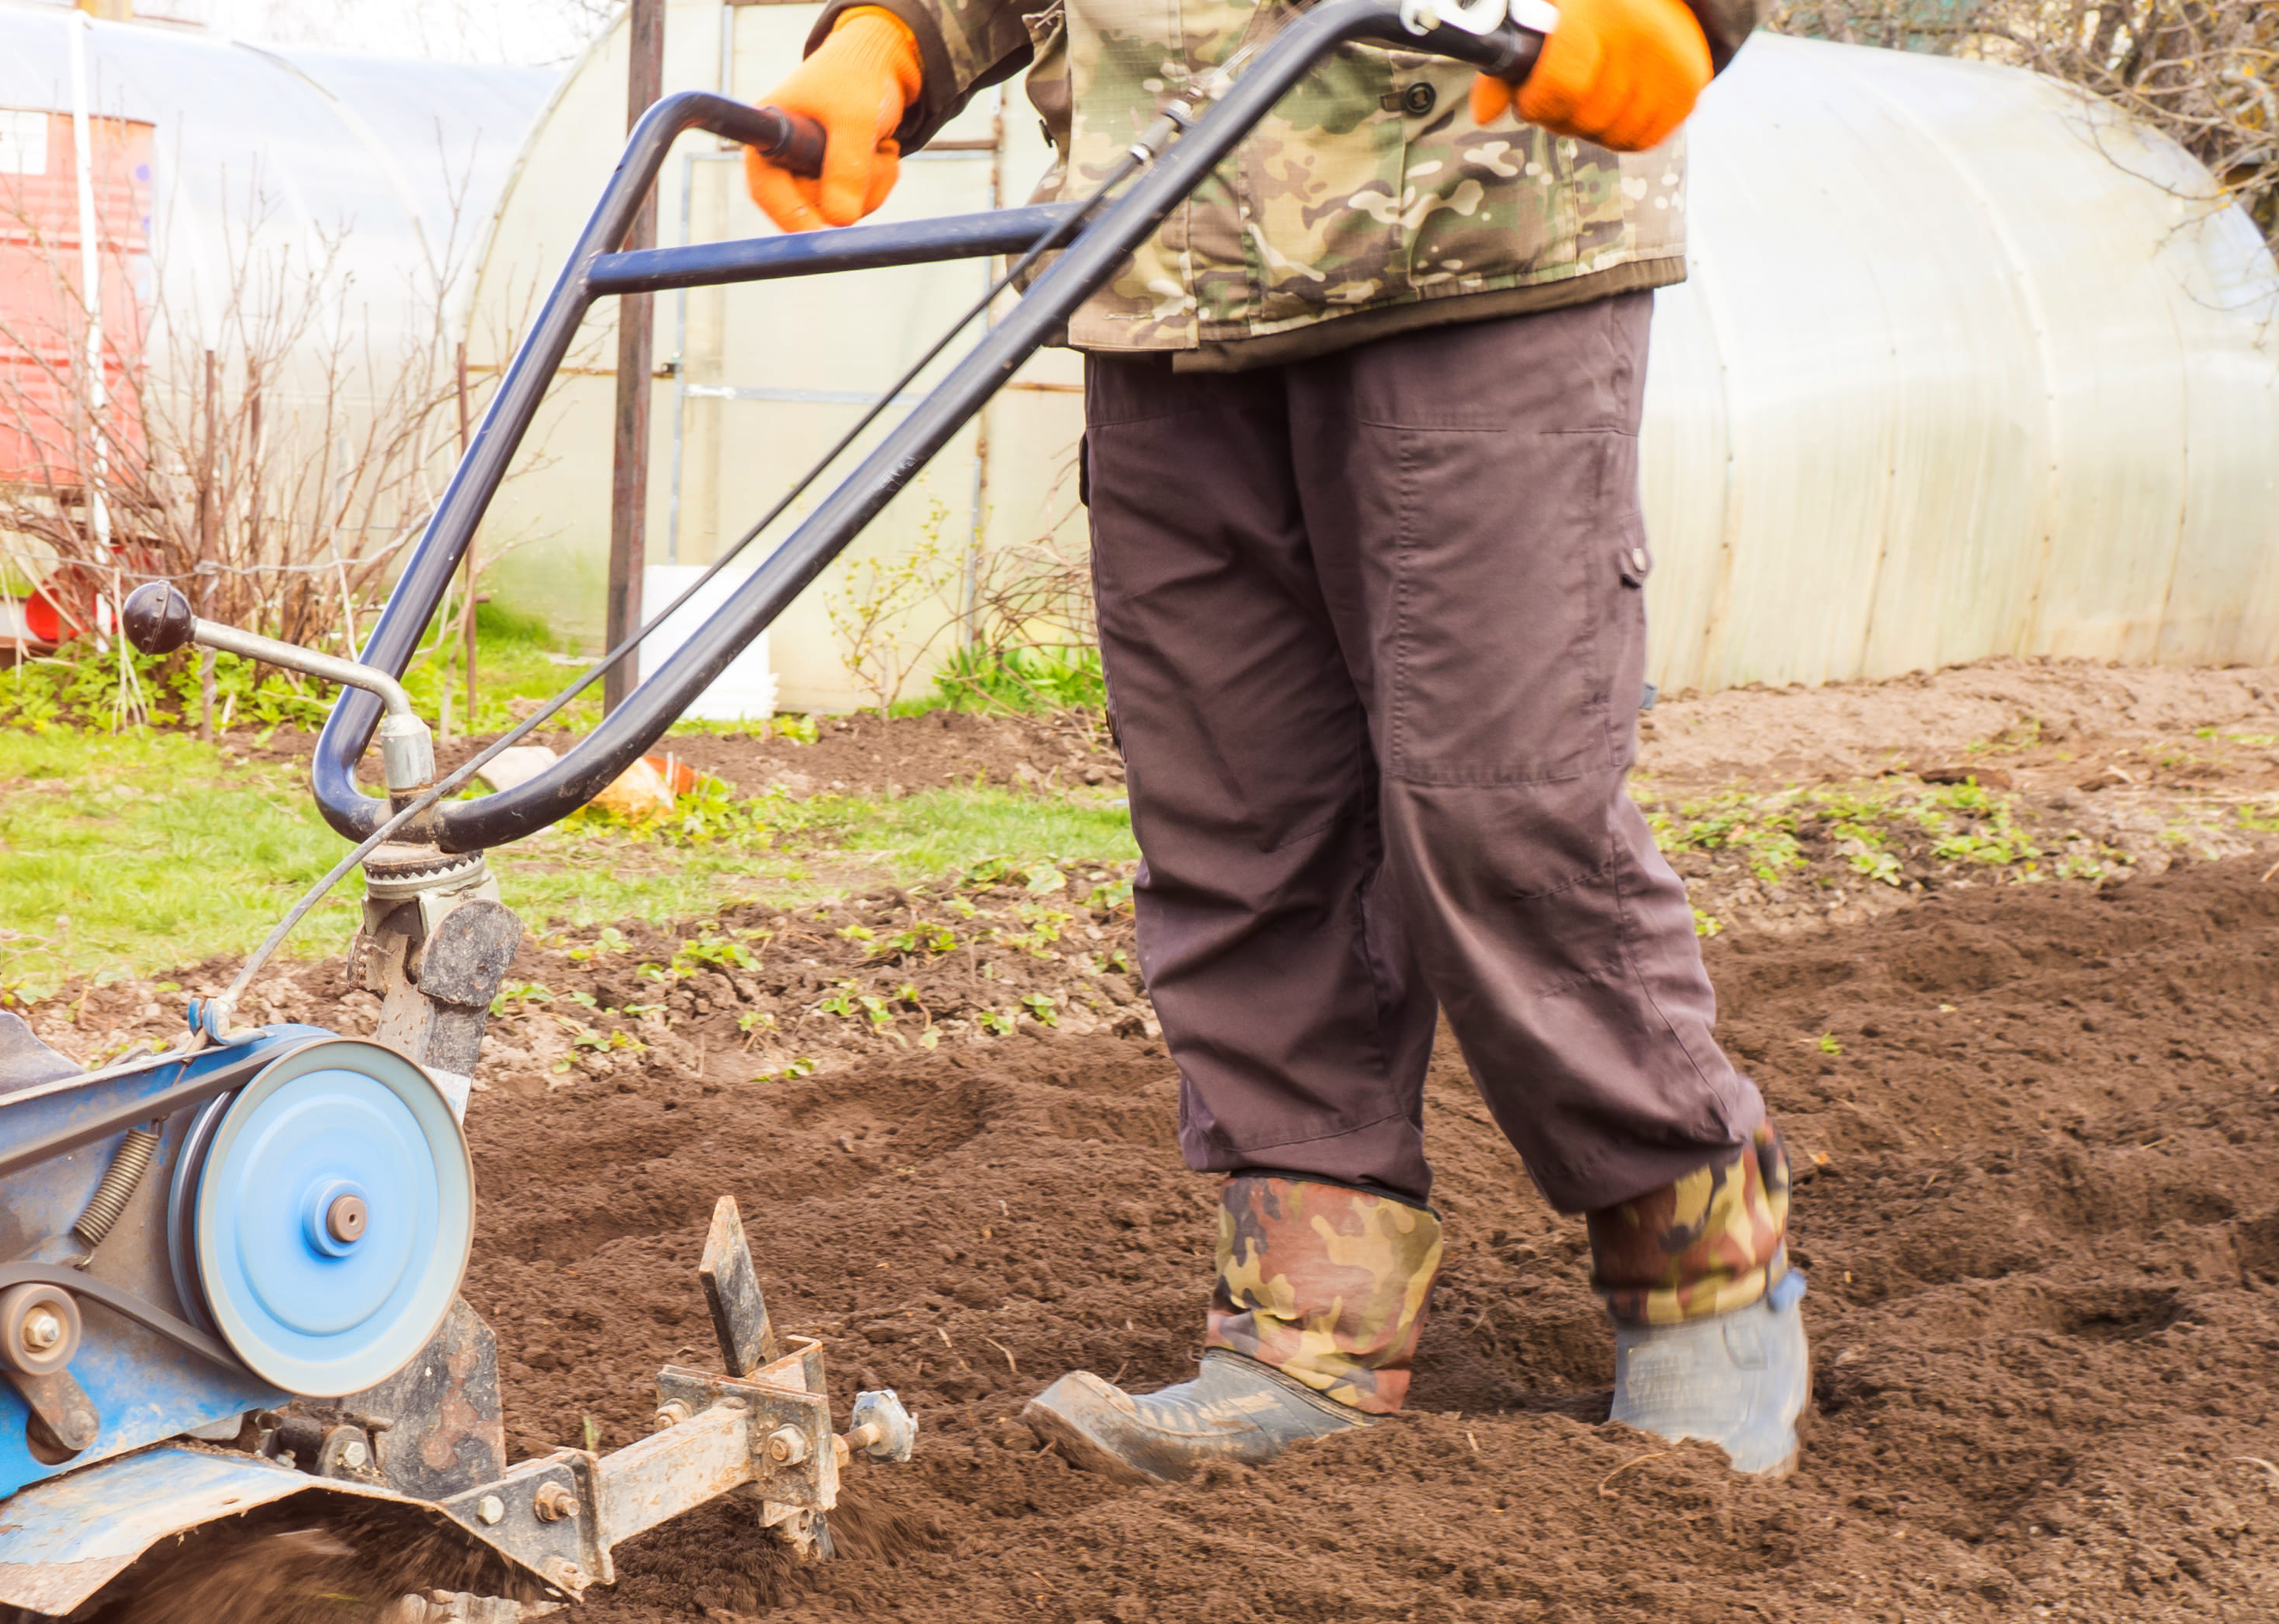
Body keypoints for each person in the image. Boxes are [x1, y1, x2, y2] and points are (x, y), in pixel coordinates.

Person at [745, 0, 1807, 1479]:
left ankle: (1698, 1269)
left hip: (1475, 217)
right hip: (1164, 251)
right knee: (1236, 819)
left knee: (1495, 804)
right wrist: (896, 38)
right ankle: (1311, 1332)